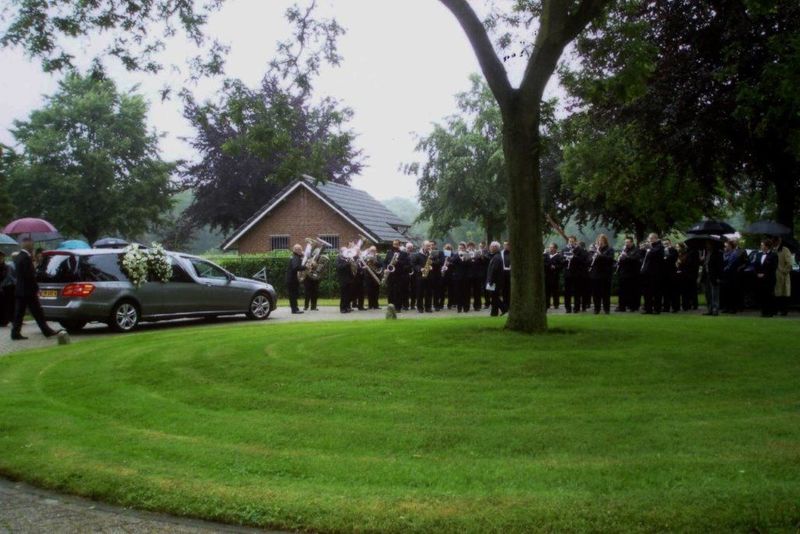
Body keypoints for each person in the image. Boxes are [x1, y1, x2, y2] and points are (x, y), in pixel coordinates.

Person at [10, 238, 59, 340]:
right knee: (37, 311)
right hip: (28, 290)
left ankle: (15, 332)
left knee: (20, 313)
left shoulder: (19, 257)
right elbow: (29, 275)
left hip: (20, 289)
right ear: (28, 246)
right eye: (32, 245)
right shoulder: (26, 258)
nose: (33, 247)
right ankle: (46, 330)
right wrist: (36, 286)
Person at [589, 234, 615, 314]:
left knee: (606, 293)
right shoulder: (594, 249)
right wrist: (593, 257)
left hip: (605, 274)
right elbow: (589, 260)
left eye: (601, 240)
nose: (599, 242)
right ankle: (597, 309)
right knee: (596, 293)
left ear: (605, 241)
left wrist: (600, 254)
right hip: (595, 274)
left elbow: (610, 259)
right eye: (598, 240)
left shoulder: (610, 249)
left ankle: (606, 309)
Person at [640, 233, 665, 314]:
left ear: (655, 238)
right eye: (649, 238)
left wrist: (649, 247)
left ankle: (657, 309)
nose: (649, 240)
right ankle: (648, 309)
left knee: (656, 291)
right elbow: (643, 258)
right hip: (646, 272)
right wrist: (642, 250)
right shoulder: (649, 247)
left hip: (655, 273)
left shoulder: (659, 246)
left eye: (651, 238)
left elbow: (655, 254)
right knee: (647, 292)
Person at [720, 239, 746, 314]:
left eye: (727, 245)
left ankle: (732, 308)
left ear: (731, 246)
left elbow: (730, 265)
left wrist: (723, 270)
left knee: (732, 292)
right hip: (726, 275)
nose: (726, 247)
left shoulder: (734, 254)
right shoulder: (727, 253)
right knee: (726, 292)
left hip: (731, 275)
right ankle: (727, 307)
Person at [615, 237, 641, 312]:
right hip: (623, 273)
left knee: (632, 291)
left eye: (628, 242)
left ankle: (632, 306)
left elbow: (635, 260)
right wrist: (620, 258)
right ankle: (621, 306)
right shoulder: (624, 250)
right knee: (622, 291)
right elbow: (621, 261)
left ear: (632, 242)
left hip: (632, 274)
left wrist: (626, 256)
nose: (626, 244)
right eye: (625, 242)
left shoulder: (636, 250)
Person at [754, 239, 778, 317]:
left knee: (769, 295)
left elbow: (773, 267)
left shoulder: (773, 255)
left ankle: (770, 312)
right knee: (762, 295)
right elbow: (755, 265)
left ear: (767, 246)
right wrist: (757, 273)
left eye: (762, 245)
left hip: (769, 279)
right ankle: (763, 311)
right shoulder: (758, 254)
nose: (761, 246)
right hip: (760, 279)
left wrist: (764, 274)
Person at [564, 236, 588, 314]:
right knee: (567, 292)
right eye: (569, 241)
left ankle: (576, 308)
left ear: (575, 242)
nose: (571, 243)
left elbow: (583, 260)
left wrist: (574, 257)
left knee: (577, 292)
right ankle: (568, 308)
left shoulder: (580, 250)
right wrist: (565, 259)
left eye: (572, 241)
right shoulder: (565, 249)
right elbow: (561, 260)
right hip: (568, 273)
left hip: (576, 274)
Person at [701, 240, 723, 316]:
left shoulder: (718, 253)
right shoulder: (707, 253)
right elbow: (705, 264)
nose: (706, 245)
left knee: (714, 294)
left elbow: (720, 266)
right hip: (707, 275)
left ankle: (715, 309)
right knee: (708, 294)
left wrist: (719, 277)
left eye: (708, 244)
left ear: (712, 244)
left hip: (714, 276)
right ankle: (710, 309)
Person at [485, 241, 507, 316]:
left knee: (494, 297)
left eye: (491, 246)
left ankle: (503, 308)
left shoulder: (496, 257)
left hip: (495, 281)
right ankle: (494, 313)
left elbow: (494, 270)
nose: (490, 248)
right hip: (495, 281)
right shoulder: (496, 256)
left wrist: (490, 281)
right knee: (494, 297)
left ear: (495, 247)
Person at [412, 241, 433, 313]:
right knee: (420, 292)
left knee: (429, 292)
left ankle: (428, 307)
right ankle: (420, 308)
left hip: (429, 276)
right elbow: (413, 264)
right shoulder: (417, 255)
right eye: (427, 246)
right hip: (420, 276)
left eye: (429, 246)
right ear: (423, 246)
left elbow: (435, 262)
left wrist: (431, 266)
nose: (429, 247)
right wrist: (420, 269)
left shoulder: (430, 254)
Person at [774, 236, 792, 316]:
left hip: (782, 275)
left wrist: (784, 271)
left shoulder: (785, 250)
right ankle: (776, 310)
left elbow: (789, 263)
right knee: (776, 293)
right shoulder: (773, 250)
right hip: (774, 275)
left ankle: (784, 311)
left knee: (783, 293)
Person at [285, 244, 306, 314]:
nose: (302, 251)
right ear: (297, 250)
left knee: (293, 295)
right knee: (293, 295)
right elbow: (295, 267)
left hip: (291, 279)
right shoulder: (295, 257)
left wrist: (302, 257)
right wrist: (305, 267)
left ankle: (295, 308)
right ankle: (294, 310)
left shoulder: (294, 257)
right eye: (300, 249)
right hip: (292, 280)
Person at [543, 243, 564, 310]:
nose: (550, 249)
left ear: (555, 248)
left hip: (555, 276)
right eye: (550, 247)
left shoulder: (559, 256)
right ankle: (547, 304)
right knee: (547, 291)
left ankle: (556, 304)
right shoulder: (546, 255)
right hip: (547, 275)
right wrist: (548, 265)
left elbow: (561, 265)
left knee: (555, 291)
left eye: (552, 247)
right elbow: (544, 263)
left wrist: (555, 267)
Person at [662, 239, 680, 313]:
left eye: (667, 243)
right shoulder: (662, 251)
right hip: (664, 273)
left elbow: (672, 258)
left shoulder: (673, 250)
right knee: (665, 292)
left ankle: (675, 307)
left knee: (673, 291)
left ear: (670, 243)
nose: (665, 245)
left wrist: (666, 257)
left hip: (672, 273)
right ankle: (666, 307)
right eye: (664, 244)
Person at [335, 247, 355, 313]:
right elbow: (339, 267)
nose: (347, 252)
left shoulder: (348, 258)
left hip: (349, 279)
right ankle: (342, 308)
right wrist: (347, 263)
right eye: (345, 251)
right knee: (343, 295)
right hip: (343, 279)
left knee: (348, 295)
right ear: (341, 252)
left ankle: (347, 307)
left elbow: (353, 268)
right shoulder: (339, 258)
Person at [452, 243, 470, 313]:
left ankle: (466, 308)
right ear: (458, 248)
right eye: (460, 248)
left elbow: (470, 265)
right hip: (457, 277)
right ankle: (459, 308)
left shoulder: (467, 254)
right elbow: (452, 261)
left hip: (466, 277)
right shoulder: (455, 255)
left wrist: (465, 259)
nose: (461, 249)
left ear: (465, 248)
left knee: (466, 293)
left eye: (462, 248)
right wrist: (459, 256)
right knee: (458, 293)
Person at [363, 246, 382, 310]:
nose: (373, 251)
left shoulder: (378, 257)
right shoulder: (366, 257)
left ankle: (376, 305)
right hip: (368, 276)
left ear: (376, 251)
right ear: (369, 250)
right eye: (371, 250)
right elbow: (363, 264)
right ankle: (370, 305)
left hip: (376, 275)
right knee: (369, 291)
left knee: (376, 291)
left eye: (374, 250)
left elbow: (381, 264)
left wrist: (375, 261)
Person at [466, 242, 483, 311]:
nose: (471, 247)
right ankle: (467, 306)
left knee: (477, 291)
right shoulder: (465, 253)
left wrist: (481, 257)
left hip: (477, 275)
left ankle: (477, 306)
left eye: (472, 246)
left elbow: (482, 263)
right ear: (467, 247)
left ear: (474, 246)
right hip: (468, 275)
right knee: (467, 292)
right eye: (469, 246)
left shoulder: (477, 252)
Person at [429, 240, 445, 311]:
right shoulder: (427, 252)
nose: (431, 246)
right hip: (429, 273)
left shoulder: (440, 252)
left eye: (432, 245)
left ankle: (436, 305)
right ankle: (428, 306)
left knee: (437, 290)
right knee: (428, 291)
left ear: (435, 245)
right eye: (430, 245)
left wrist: (432, 262)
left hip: (437, 274)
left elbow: (442, 261)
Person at [0, 251, 14, 327]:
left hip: (6, 289)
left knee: (6, 305)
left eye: (1, 257)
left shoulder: (7, 267)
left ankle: (5, 320)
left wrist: (1, 285)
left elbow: (8, 277)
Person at [501, 241, 511, 309]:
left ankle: (510, 303)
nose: (505, 246)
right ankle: (505, 303)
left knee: (509, 288)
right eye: (504, 245)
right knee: (504, 289)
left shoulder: (512, 253)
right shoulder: (501, 253)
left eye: (507, 245)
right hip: (503, 273)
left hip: (510, 272)